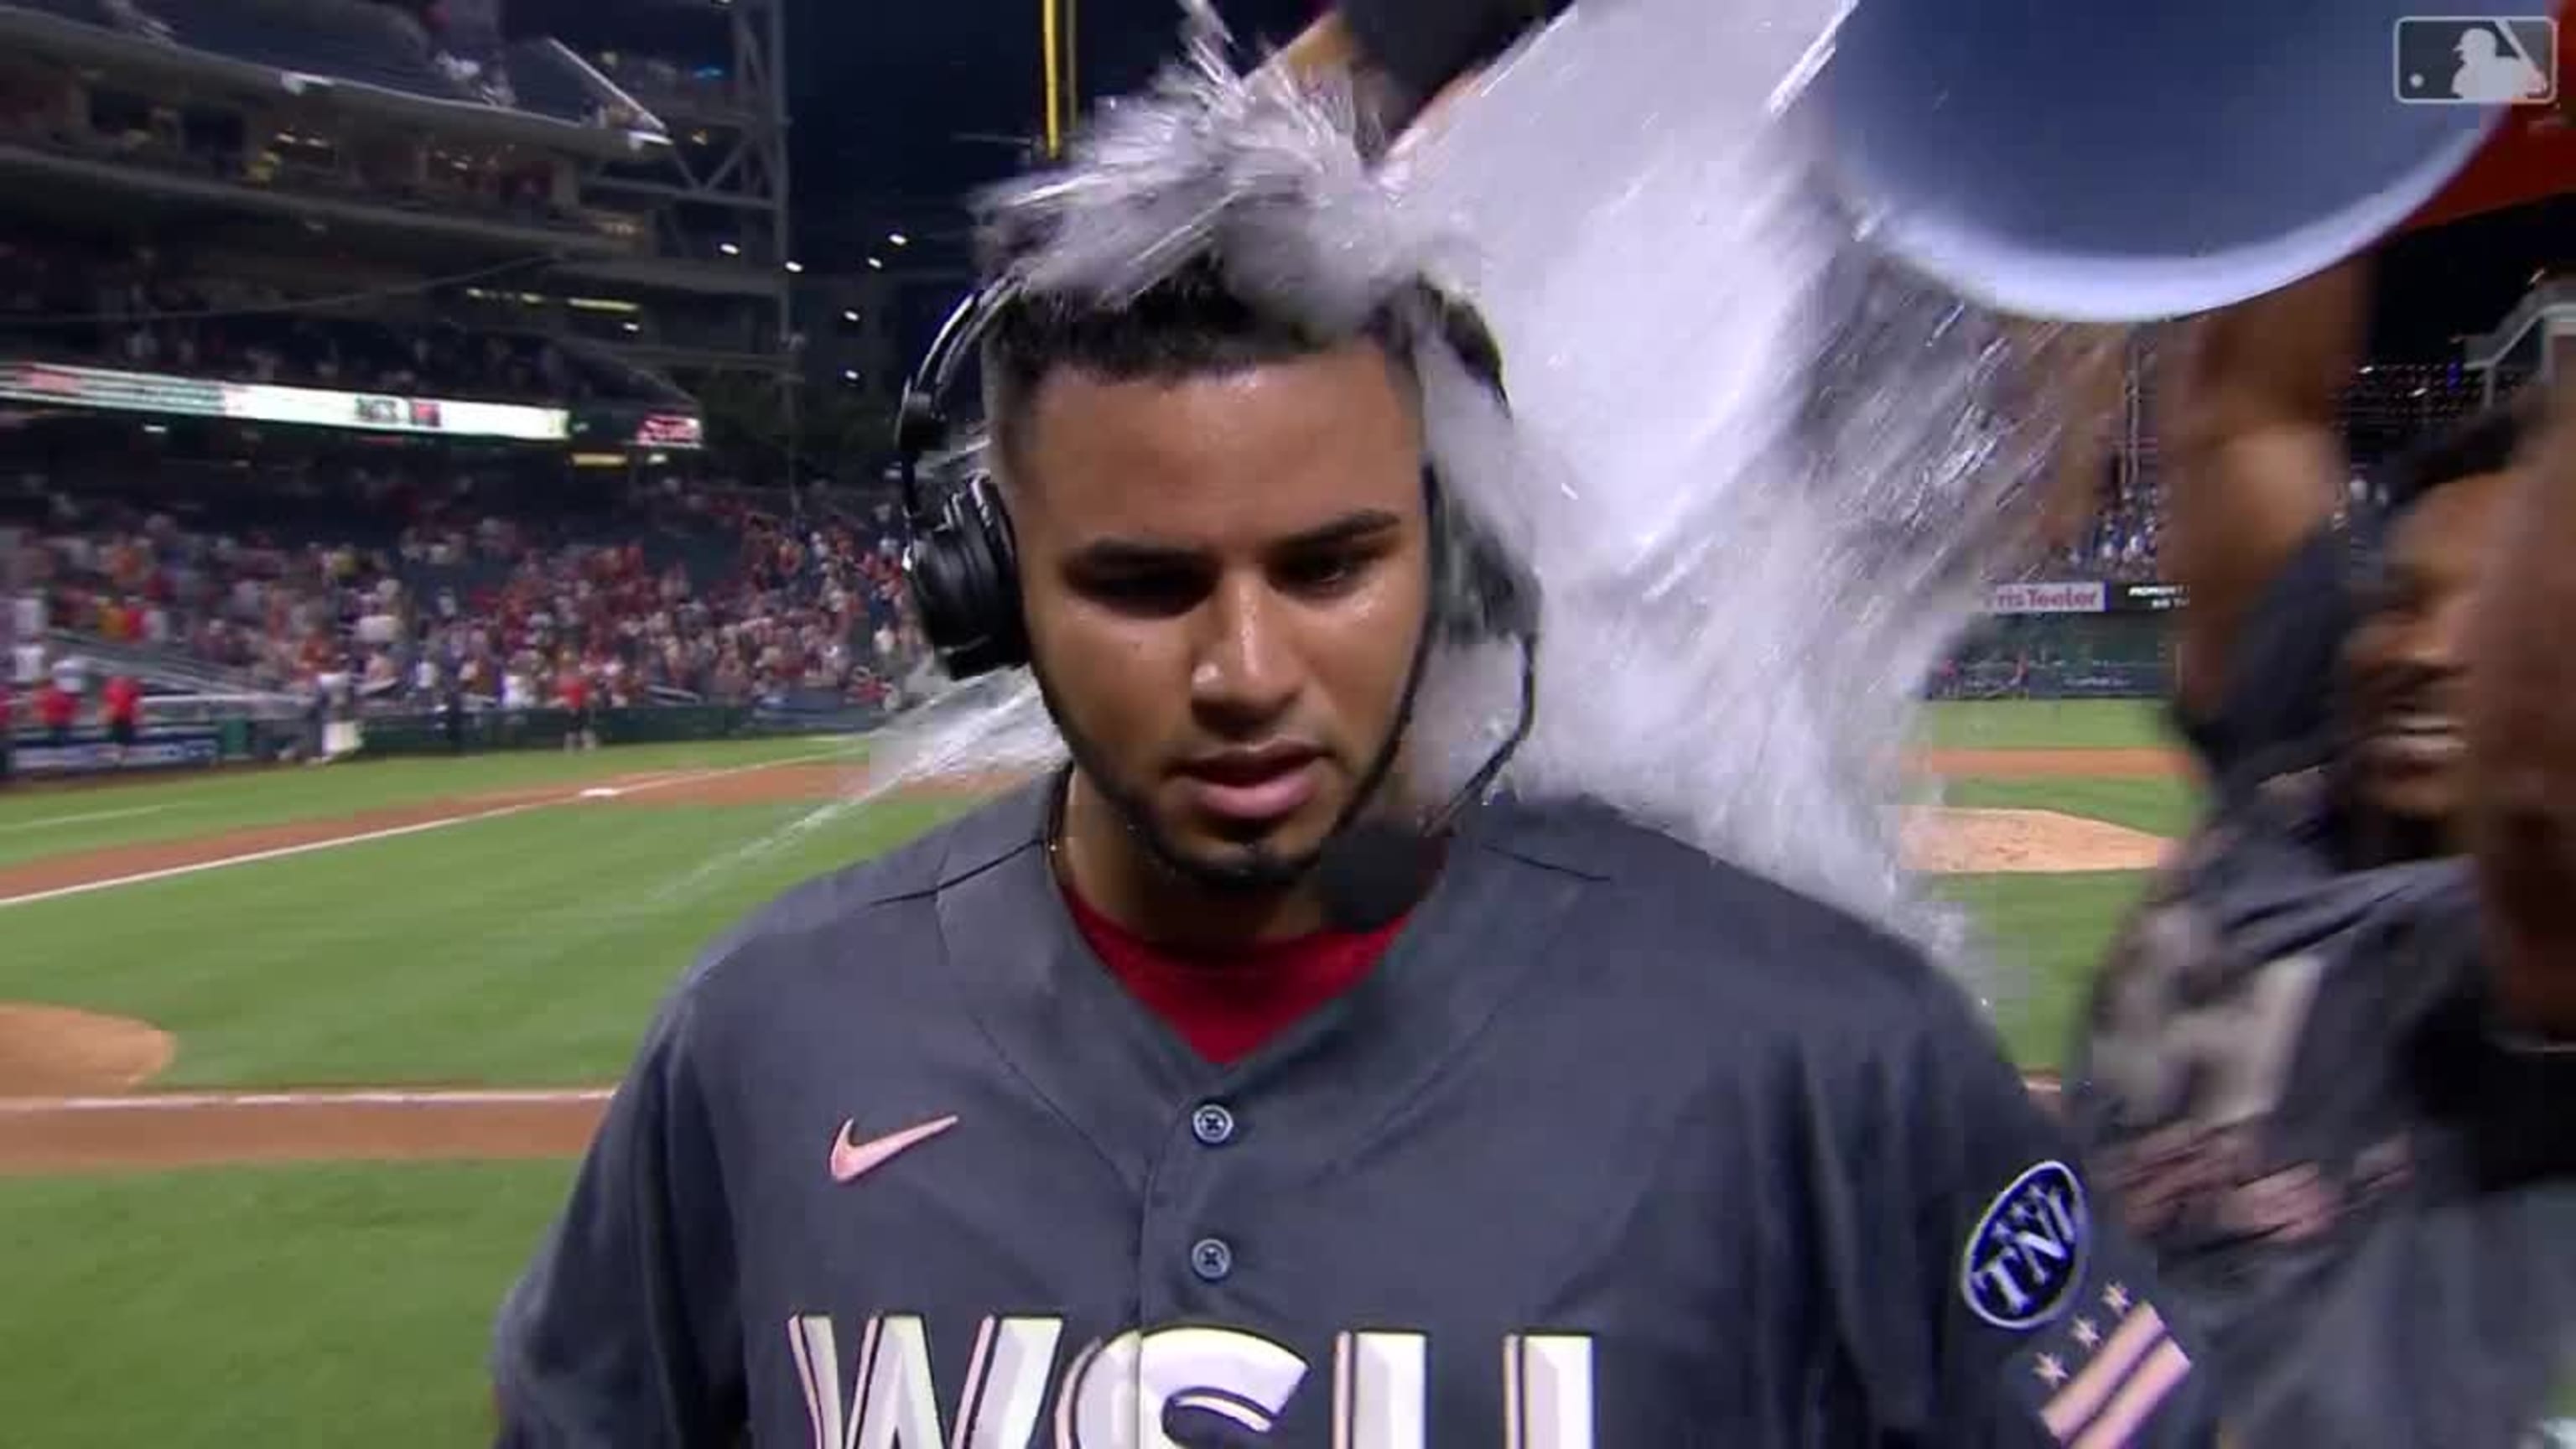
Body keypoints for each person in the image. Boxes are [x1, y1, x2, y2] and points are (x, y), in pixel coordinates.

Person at [490, 59, 2226, 1440]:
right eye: (1144, 583)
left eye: (1330, 566)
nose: (1246, 669)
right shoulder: (763, 1046)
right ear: (990, 588)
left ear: (1458, 561)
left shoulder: (1829, 1057)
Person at [2062, 262, 2576, 1446]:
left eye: (2498, 614)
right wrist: (2317, 102)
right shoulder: (2304, 751)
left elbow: (2545, 807)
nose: (2427, 647)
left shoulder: (2522, 941)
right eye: (2403, 598)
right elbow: (2248, 415)